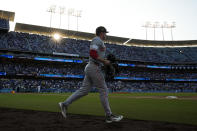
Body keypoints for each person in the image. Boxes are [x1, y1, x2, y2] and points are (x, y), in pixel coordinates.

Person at [59, 26, 123, 123]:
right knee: (103, 90)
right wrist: (104, 61)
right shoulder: (97, 40)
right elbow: (93, 54)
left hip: (92, 66)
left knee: (84, 90)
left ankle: (65, 104)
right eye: (105, 33)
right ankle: (109, 116)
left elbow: (96, 55)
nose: (106, 35)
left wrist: (105, 61)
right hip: (94, 67)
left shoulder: (98, 41)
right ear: (101, 33)